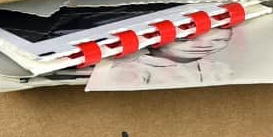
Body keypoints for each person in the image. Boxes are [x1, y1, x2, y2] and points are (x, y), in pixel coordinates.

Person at [98, 28, 234, 88]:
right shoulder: (131, 70)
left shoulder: (218, 68)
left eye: (219, 40)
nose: (205, 46)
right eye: (184, 40)